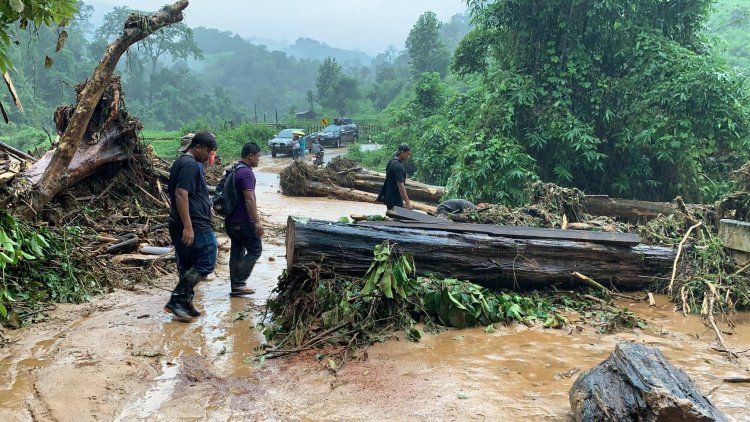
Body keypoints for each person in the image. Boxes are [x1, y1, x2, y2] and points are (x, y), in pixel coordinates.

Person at [165, 132, 218, 322]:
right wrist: (188, 226)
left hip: (188, 221)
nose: (208, 156)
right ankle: (178, 300)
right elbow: (181, 194)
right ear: (198, 147)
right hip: (194, 223)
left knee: (187, 264)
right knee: (208, 259)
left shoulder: (184, 162)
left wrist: (207, 206)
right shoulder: (189, 165)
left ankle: (185, 304)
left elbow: (192, 193)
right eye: (208, 152)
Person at [225, 142, 264, 296]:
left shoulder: (234, 169)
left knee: (237, 250)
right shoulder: (247, 173)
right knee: (255, 250)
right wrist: (257, 222)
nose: (259, 159)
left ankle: (236, 285)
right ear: (251, 156)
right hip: (243, 221)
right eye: (258, 156)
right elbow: (249, 199)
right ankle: (239, 283)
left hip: (231, 220)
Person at [377, 143, 413, 210]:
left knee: (391, 217)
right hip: (395, 200)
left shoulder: (390, 162)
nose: (408, 156)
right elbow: (401, 186)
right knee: (396, 218)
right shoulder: (399, 167)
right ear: (402, 152)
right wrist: (408, 203)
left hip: (388, 197)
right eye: (408, 154)